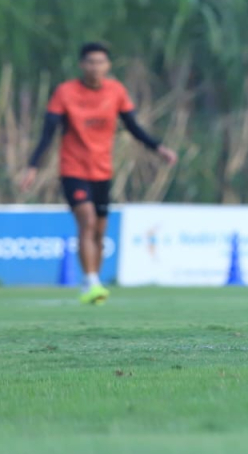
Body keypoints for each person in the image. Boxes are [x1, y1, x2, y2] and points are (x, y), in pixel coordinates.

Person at [20, 42, 177, 304]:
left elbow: (133, 127)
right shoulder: (65, 92)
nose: (95, 67)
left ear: (108, 65)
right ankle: (91, 281)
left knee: (100, 232)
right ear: (82, 64)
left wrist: (158, 148)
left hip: (103, 171)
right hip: (73, 169)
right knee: (87, 221)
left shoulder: (116, 91)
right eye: (90, 61)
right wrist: (33, 166)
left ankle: (92, 280)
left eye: (100, 62)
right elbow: (48, 133)